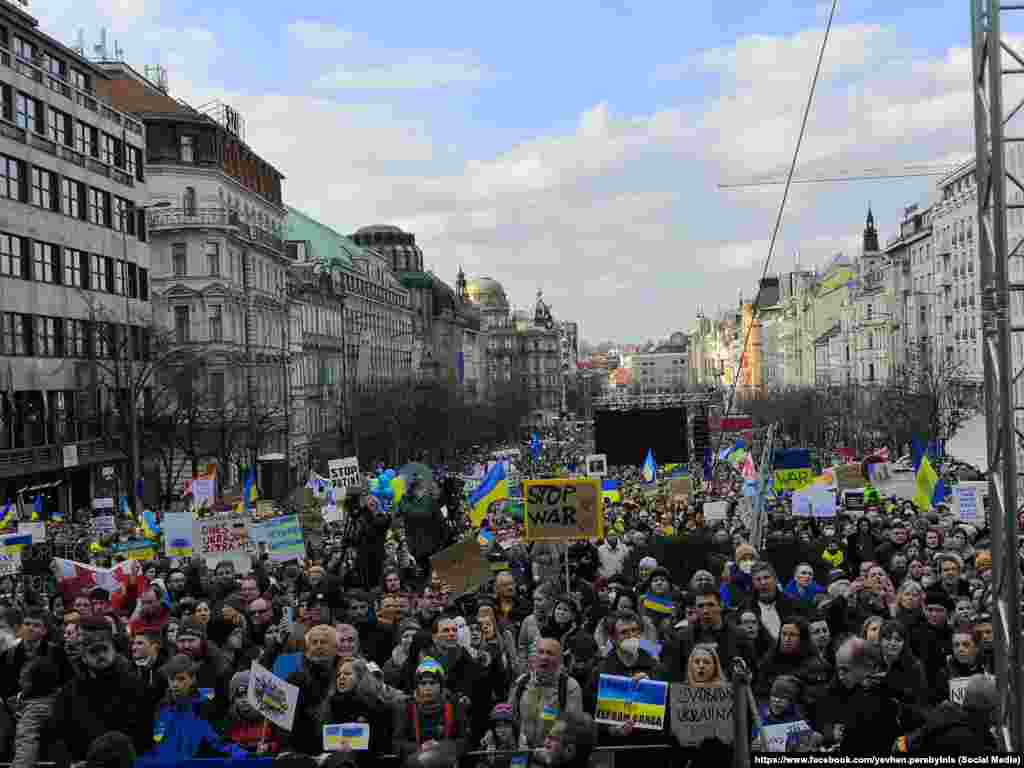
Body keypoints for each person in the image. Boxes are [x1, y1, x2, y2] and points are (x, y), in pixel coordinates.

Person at [44, 616, 154, 762]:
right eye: (94, 652)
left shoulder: (136, 686)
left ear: (113, 650)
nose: (101, 655)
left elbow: (146, 733)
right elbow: (57, 734)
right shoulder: (69, 692)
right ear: (84, 656)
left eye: (104, 649)